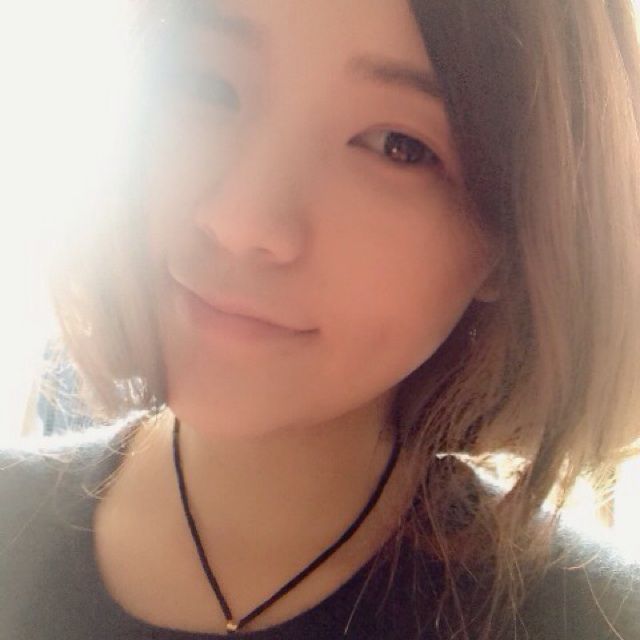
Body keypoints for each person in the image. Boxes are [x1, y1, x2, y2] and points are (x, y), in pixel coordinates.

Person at [2, 1, 640, 638]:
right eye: (207, 83)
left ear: (517, 240)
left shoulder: (596, 619)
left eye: (398, 147)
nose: (240, 221)